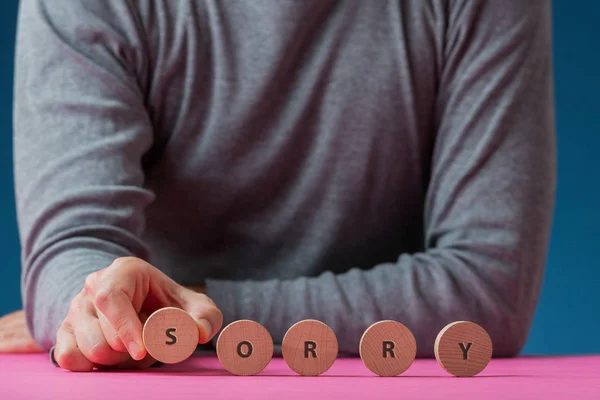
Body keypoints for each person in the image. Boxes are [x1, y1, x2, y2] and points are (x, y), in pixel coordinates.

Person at [2, 0, 555, 371]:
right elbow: (73, 258)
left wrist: (178, 315)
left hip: (378, 380)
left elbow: (488, 292)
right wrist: (97, 306)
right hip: (175, 378)